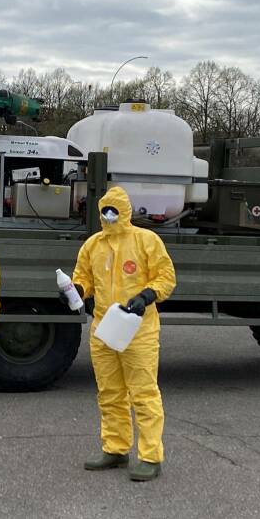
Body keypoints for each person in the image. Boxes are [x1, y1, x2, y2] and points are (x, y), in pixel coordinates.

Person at [67, 186, 176, 482]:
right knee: (110, 392)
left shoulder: (146, 241)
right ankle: (115, 448)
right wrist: (76, 290)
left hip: (138, 329)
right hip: (104, 327)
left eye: (115, 210)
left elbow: (166, 276)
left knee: (143, 393)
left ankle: (151, 456)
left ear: (126, 212)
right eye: (105, 210)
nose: (110, 216)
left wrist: (147, 295)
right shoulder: (92, 245)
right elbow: (83, 277)